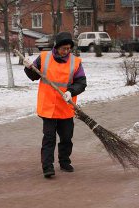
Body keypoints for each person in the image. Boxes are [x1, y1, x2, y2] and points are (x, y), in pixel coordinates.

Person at [23, 32, 87, 178]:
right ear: (56, 47)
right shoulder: (44, 57)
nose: (66, 51)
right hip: (48, 107)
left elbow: (81, 83)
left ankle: (64, 162)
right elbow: (34, 75)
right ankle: (47, 167)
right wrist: (28, 67)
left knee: (66, 138)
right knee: (49, 138)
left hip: (66, 107)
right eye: (64, 48)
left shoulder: (75, 62)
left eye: (69, 48)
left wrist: (71, 91)